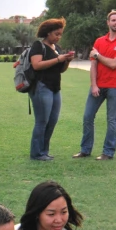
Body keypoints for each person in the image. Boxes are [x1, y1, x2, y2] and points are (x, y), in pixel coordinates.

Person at [74, 11, 116, 161]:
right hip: (98, 85)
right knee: (88, 117)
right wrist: (94, 85)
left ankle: (108, 152)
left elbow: (114, 64)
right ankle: (85, 150)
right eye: (113, 20)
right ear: (108, 22)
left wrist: (98, 56)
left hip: (115, 86)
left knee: (112, 119)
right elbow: (93, 65)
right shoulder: (99, 41)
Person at [27, 18, 75, 161]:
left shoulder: (57, 48)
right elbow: (36, 65)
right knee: (42, 121)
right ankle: (36, 153)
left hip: (55, 88)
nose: (58, 37)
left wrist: (66, 61)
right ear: (48, 33)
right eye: (56, 34)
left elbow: (61, 70)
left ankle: (44, 151)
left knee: (52, 121)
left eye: (60, 34)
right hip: (42, 87)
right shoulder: (38, 46)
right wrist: (58, 59)